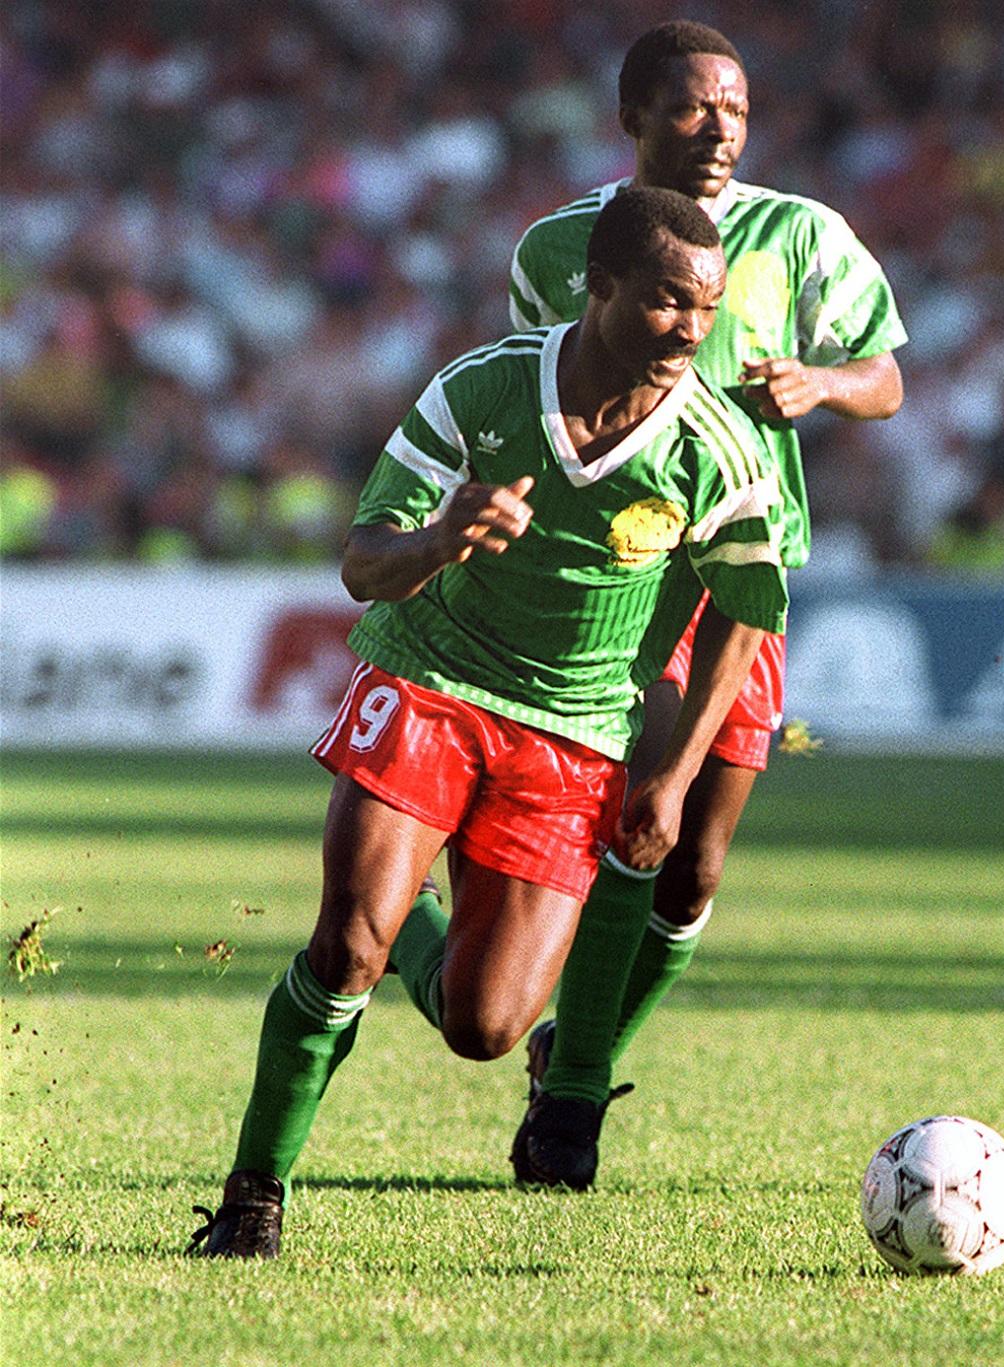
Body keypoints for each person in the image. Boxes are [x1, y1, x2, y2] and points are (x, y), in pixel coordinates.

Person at [187, 187, 788, 1257]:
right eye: (664, 303)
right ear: (600, 286)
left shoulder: (718, 448)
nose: (689, 331)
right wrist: (443, 536)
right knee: (346, 946)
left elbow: (744, 613)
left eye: (704, 309)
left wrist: (673, 774)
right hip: (433, 684)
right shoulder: (486, 386)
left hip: (573, 733)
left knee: (485, 1026)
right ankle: (251, 1198)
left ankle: (409, 904)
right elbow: (362, 561)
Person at [503, 20, 905, 1190]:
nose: (719, 127)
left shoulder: (801, 234)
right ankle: (569, 1104)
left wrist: (822, 381)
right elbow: (535, 389)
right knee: (610, 829)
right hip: (613, 582)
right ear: (630, 119)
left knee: (692, 867)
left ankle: (569, 1061)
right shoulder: (552, 247)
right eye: (689, 107)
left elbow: (886, 375)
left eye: (734, 107)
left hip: (742, 582)